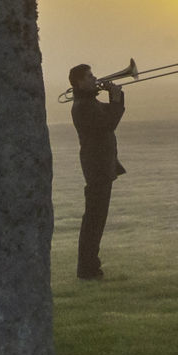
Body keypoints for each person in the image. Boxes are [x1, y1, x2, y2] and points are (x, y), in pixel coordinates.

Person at [64, 62, 126, 281]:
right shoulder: (82, 106)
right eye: (90, 76)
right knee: (93, 220)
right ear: (79, 81)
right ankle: (87, 269)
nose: (95, 78)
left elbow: (109, 114)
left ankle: (91, 266)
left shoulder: (88, 102)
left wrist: (116, 97)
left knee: (96, 220)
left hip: (101, 165)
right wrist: (116, 99)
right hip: (97, 167)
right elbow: (108, 123)